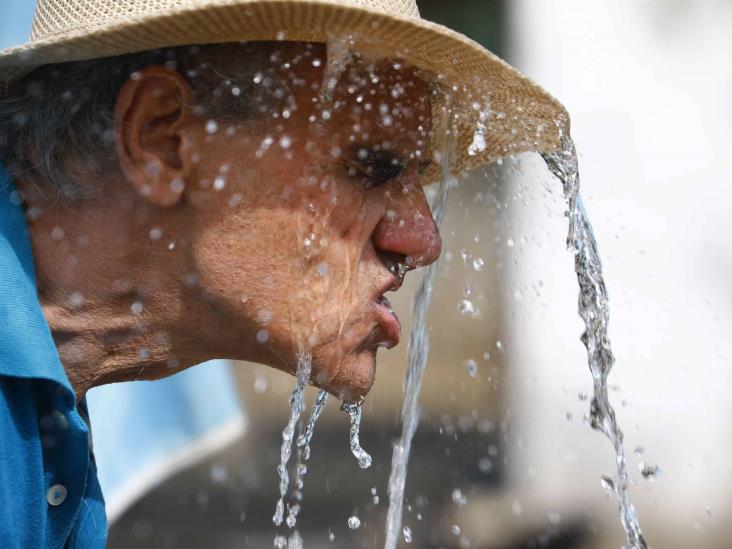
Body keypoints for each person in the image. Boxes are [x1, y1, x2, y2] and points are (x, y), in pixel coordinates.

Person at [0, 0, 565, 546]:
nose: (421, 239)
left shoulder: (43, 410)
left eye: (419, 178)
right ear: (160, 139)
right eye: (370, 168)